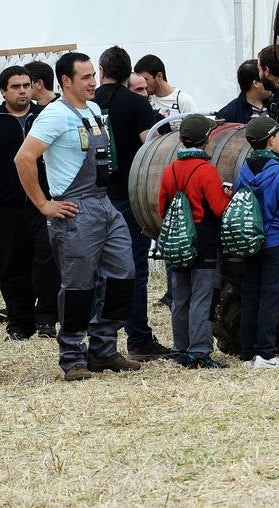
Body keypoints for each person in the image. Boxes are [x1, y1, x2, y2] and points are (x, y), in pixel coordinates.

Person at [13, 52, 139, 382]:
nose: (93, 82)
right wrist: (44, 204)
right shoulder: (54, 115)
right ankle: (72, 356)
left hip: (104, 203)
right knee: (79, 287)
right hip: (74, 209)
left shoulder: (95, 110)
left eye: (92, 76)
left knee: (123, 275)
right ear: (66, 81)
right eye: (85, 77)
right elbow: (24, 159)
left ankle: (103, 349)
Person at [0, 66, 60, 339]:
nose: (22, 91)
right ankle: (19, 323)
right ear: (3, 91)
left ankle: (46, 319)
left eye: (26, 85)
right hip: (3, 210)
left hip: (43, 205)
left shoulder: (46, 118)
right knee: (11, 267)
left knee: (47, 261)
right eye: (16, 86)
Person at [95, 46, 172, 362]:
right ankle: (138, 340)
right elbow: (154, 147)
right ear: (129, 74)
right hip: (129, 197)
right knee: (135, 269)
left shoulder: (87, 104)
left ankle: (100, 339)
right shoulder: (137, 104)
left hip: (94, 195)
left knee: (98, 271)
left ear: (101, 71)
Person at [157, 114, 230, 368]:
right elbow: (220, 209)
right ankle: (199, 352)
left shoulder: (169, 170)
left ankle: (180, 349)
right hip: (204, 241)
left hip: (178, 243)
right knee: (203, 297)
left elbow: (162, 208)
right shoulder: (206, 171)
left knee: (181, 298)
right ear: (207, 139)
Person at [235, 115, 279, 368]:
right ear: (271, 140)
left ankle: (248, 354)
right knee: (271, 297)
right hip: (276, 243)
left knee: (250, 296)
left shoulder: (244, 171)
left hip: (251, 242)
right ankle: (266, 353)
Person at [134, 54, 198, 118]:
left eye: (145, 79)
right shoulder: (145, 100)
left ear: (159, 76)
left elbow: (194, 126)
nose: (143, 84)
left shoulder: (183, 101)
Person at [217, 59, 269, 124]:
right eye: (266, 80)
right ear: (255, 83)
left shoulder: (277, 104)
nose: (271, 83)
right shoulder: (227, 115)